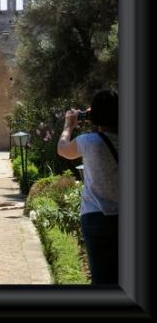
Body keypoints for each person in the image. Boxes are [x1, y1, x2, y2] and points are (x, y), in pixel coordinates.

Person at [57, 88, 118, 285]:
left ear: (93, 116)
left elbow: (63, 149)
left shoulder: (89, 142)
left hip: (95, 217)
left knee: (101, 279)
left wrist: (69, 125)